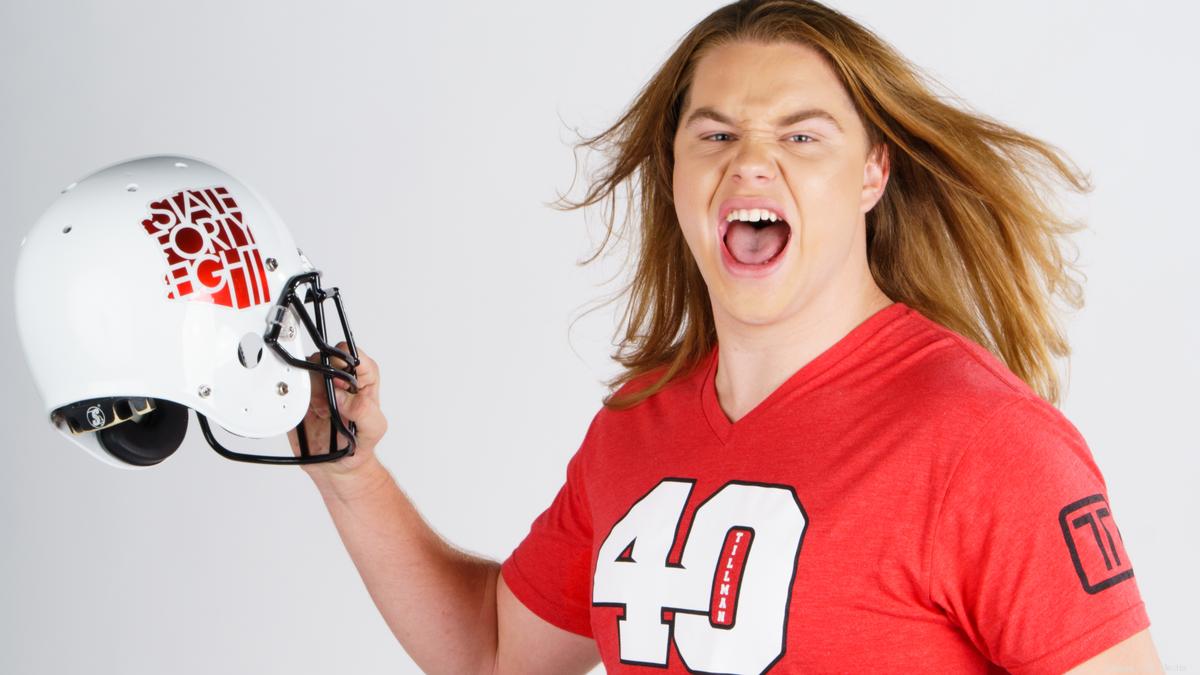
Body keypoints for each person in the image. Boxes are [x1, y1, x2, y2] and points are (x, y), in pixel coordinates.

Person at [289, 1, 1162, 672]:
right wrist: (350, 474)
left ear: (872, 171)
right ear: (674, 171)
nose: (750, 161)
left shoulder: (984, 441)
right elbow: (491, 649)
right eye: (715, 133)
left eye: (801, 134)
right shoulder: (635, 427)